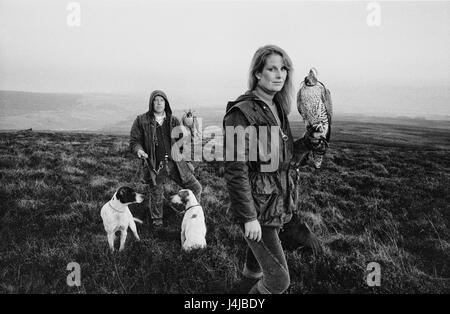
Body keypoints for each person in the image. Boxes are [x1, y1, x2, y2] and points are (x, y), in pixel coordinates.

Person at [223, 45, 317, 294]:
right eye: (272, 68)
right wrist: (248, 217)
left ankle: (241, 292)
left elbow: (281, 160)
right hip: (258, 211)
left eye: (283, 68)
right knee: (278, 281)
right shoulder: (240, 114)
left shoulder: (278, 109)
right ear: (257, 73)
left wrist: (307, 143)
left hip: (278, 205)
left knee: (255, 268)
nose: (279, 74)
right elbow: (235, 171)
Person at [130, 90, 202, 227]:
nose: (158, 102)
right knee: (156, 194)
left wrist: (189, 125)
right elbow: (134, 140)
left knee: (196, 187)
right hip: (154, 165)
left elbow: (184, 139)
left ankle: (193, 214)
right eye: (155, 100)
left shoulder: (173, 120)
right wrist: (139, 150)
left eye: (161, 100)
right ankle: (157, 224)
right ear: (151, 102)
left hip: (175, 164)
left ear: (166, 103)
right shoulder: (141, 120)